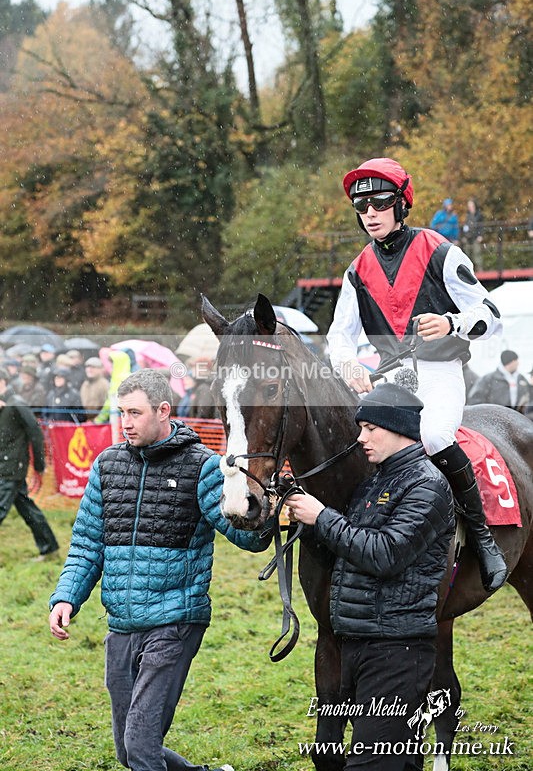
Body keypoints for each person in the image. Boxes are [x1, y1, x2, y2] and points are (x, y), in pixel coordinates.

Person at [49, 368, 271, 771]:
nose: (126, 422)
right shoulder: (106, 465)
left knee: (140, 744)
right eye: (122, 412)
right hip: (121, 625)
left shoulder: (202, 467)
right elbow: (86, 543)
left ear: (164, 410)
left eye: (135, 413)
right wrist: (66, 597)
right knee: (129, 751)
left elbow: (249, 538)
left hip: (174, 622)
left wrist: (263, 507)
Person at [327, 157, 507, 592]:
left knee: (434, 437)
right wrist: (348, 364)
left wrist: (451, 323)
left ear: (401, 204)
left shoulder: (440, 250)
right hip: (390, 379)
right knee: (353, 446)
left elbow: (491, 316)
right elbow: (338, 336)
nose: (370, 213)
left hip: (439, 370)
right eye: (361, 206)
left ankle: (482, 537)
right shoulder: (356, 270)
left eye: (379, 203)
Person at [286, 383, 455, 771]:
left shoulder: (426, 485)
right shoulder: (374, 482)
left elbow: (385, 555)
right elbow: (349, 551)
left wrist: (322, 516)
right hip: (360, 642)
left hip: (396, 652)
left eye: (370, 428)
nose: (360, 437)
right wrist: (305, 523)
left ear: (398, 429)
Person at [0, 367, 59, 560]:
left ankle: (50, 549)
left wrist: (39, 465)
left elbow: (36, 433)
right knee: (28, 509)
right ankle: (50, 549)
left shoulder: (17, 404)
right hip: (6, 465)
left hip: (12, 467)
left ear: (2, 382)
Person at [461, 198, 484, 269]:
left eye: (471, 206)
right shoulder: (467, 216)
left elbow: (481, 226)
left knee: (477, 254)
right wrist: (464, 236)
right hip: (468, 238)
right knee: (467, 255)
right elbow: (464, 227)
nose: (470, 207)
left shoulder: (479, 215)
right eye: (469, 206)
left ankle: (480, 269)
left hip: (476, 237)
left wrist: (480, 235)